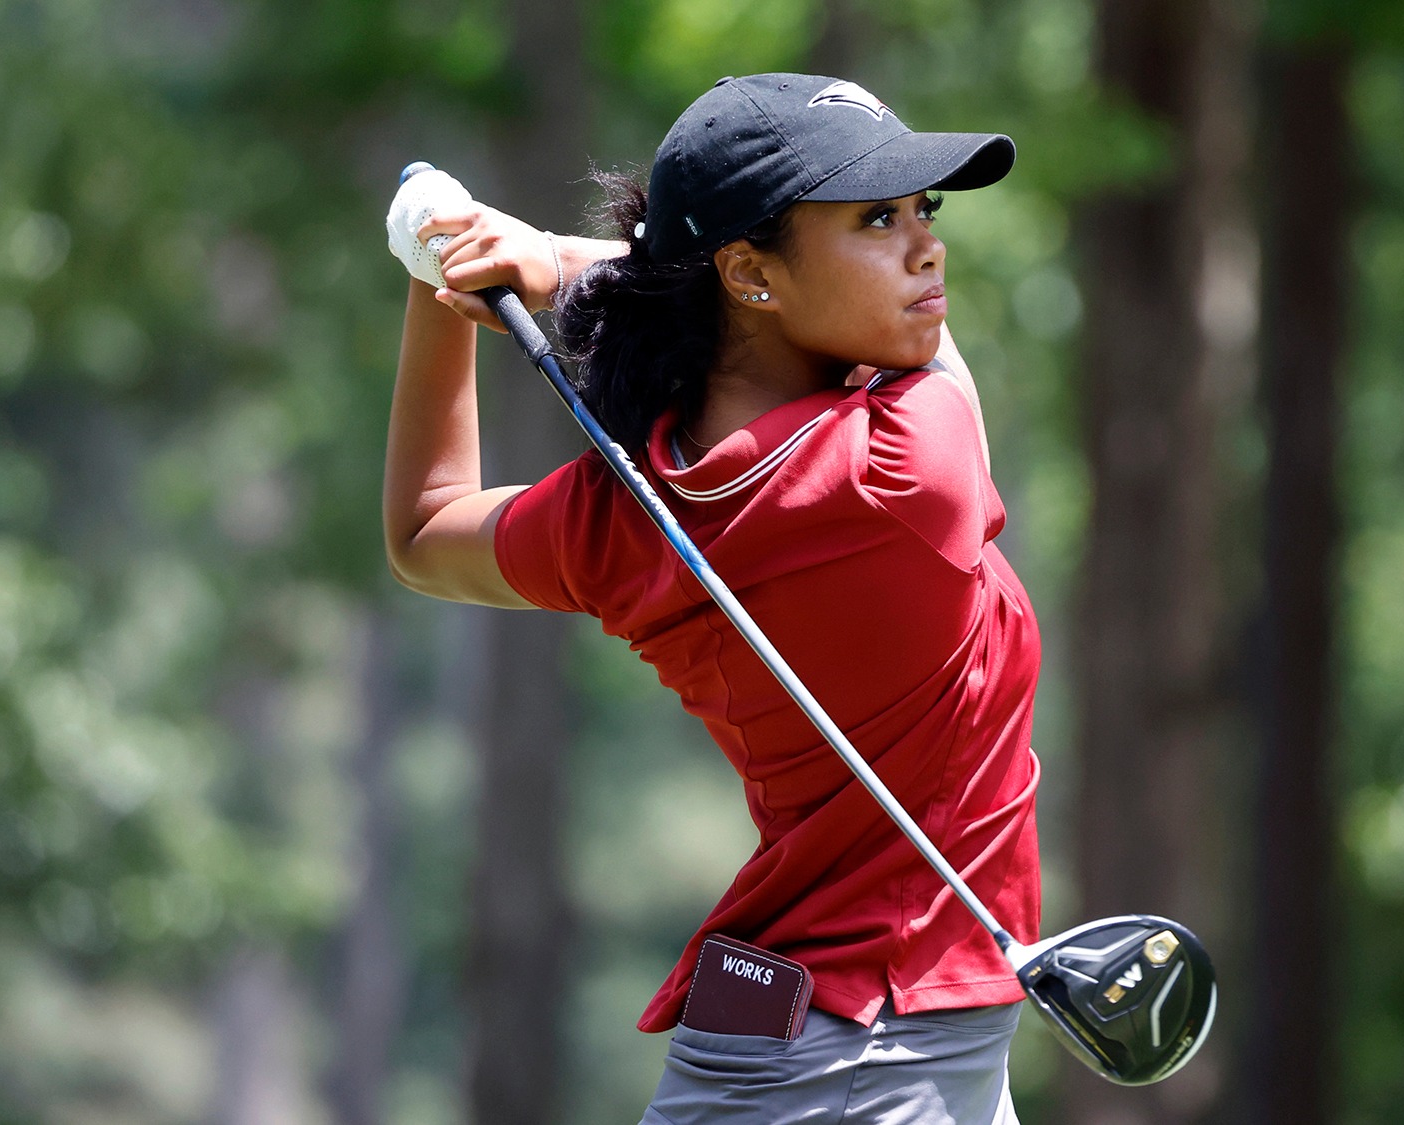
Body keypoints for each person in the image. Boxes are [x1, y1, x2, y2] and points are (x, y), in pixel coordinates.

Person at [384, 73, 1039, 1124]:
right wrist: (553, 259)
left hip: (803, 1041)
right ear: (747, 272)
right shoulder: (906, 464)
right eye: (877, 219)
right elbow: (931, 349)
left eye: (926, 210)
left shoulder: (617, 510)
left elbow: (425, 532)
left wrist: (442, 276)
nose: (930, 250)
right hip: (874, 1051)